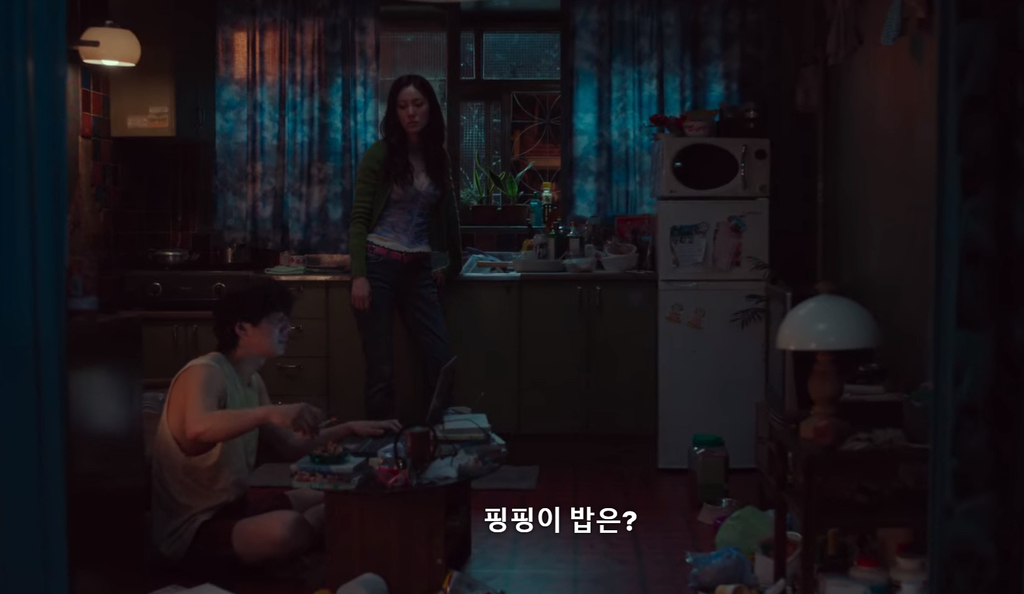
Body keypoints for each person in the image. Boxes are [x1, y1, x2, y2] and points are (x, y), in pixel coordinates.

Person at [150, 278, 400, 571]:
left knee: (336, 497)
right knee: (289, 528)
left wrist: (350, 428)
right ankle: (307, 534)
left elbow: (291, 446)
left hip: (236, 507)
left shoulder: (252, 381)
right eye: (278, 322)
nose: (288, 329)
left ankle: (314, 530)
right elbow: (198, 428)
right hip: (193, 528)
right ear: (242, 328)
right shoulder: (205, 371)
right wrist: (268, 413)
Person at [348, 73, 462, 420]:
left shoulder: (438, 157)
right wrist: (359, 275)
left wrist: (450, 265)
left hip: (419, 270)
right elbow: (359, 218)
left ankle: (435, 439)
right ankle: (380, 448)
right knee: (381, 369)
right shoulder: (380, 155)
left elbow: (446, 218)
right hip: (378, 266)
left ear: (430, 108)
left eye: (417, 104)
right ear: (394, 112)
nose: (411, 112)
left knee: (441, 360)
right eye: (402, 106)